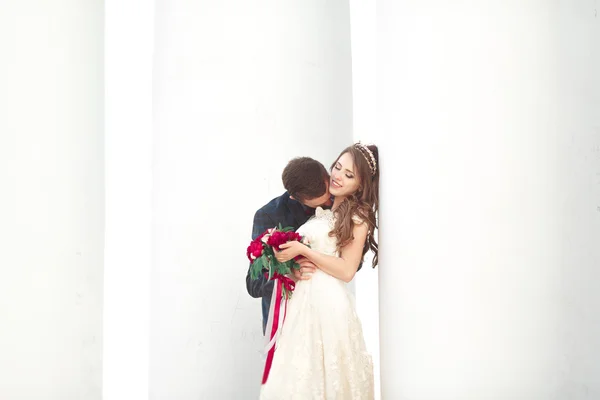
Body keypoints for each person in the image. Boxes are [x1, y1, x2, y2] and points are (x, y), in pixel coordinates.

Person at [259, 143, 379, 400]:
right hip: (303, 305)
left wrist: (304, 251)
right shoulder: (326, 208)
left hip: (328, 305)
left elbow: (347, 271)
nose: (337, 175)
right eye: (337, 167)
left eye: (349, 175)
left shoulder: (359, 215)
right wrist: (289, 263)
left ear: (361, 185)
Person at [245, 157, 333, 334]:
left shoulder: (339, 200)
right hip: (286, 325)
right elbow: (253, 285)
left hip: (326, 315)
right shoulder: (268, 216)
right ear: (294, 197)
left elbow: (354, 262)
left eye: (329, 196)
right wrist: (289, 272)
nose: (330, 203)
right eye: (322, 201)